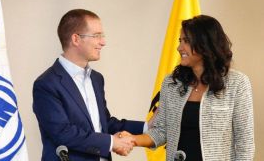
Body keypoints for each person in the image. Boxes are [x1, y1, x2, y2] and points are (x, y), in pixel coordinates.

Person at [121, 15, 255, 160]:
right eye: (180, 41)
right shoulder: (171, 83)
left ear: (205, 44)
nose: (179, 47)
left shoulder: (237, 83)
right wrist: (133, 139)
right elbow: (161, 131)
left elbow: (245, 144)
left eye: (186, 41)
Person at [32, 9, 145, 161]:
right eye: (96, 36)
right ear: (76, 39)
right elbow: (63, 133)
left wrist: (147, 127)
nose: (103, 42)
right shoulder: (46, 84)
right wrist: (112, 143)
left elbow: (104, 123)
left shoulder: (96, 79)